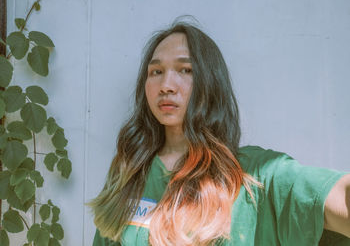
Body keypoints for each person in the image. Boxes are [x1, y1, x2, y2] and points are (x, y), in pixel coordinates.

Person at [86, 18, 350, 246]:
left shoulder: (256, 177)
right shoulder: (128, 172)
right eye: (156, 71)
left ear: (209, 82)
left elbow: (337, 197)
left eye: (185, 70)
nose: (166, 84)